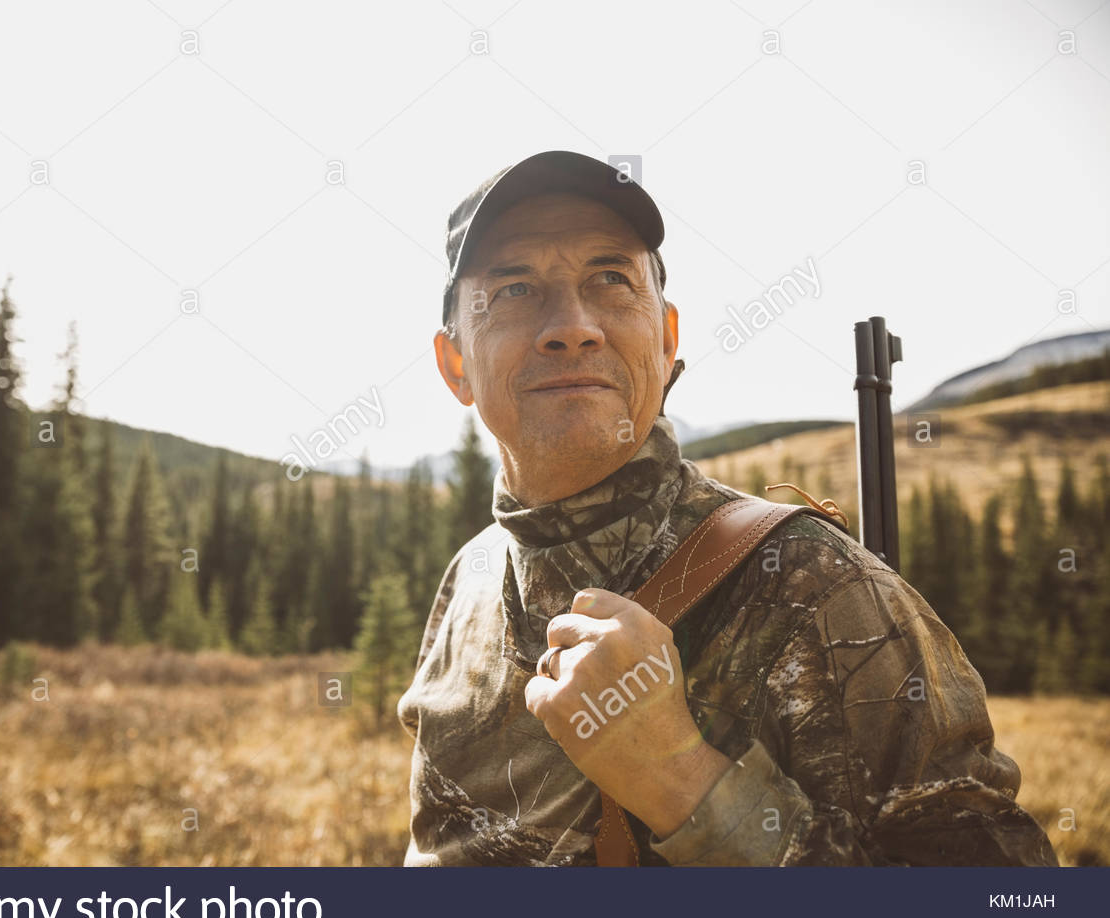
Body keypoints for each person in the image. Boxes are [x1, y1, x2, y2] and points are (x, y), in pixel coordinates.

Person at [395, 150, 1058, 866]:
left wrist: (686, 781)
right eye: (517, 288)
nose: (573, 325)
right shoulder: (468, 581)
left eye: (612, 280)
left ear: (667, 337)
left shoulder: (820, 586)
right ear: (455, 363)